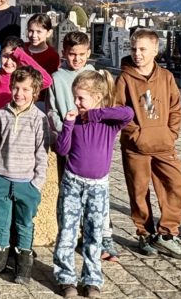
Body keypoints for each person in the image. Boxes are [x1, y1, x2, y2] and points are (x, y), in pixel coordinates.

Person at [52, 70, 133, 298]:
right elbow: (62, 149)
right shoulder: (75, 121)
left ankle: (92, 280)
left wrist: (96, 114)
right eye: (74, 97)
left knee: (94, 233)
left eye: (81, 98)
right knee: (67, 230)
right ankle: (66, 278)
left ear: (97, 97)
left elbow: (128, 113)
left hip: (98, 186)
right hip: (72, 183)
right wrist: (67, 125)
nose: (76, 102)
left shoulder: (109, 122)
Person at [114, 29, 181, 260]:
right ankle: (144, 233)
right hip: (136, 146)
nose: (137, 54)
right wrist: (136, 134)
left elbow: (175, 107)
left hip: (164, 144)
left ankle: (168, 233)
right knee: (138, 190)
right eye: (133, 49)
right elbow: (118, 111)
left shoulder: (166, 77)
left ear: (155, 51)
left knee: (176, 185)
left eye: (143, 49)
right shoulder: (125, 79)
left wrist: (171, 134)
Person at [49, 32, 119, 262]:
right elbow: (52, 111)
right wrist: (66, 128)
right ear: (63, 53)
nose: (76, 59)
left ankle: (102, 235)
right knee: (70, 194)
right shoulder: (57, 78)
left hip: (93, 143)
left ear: (88, 53)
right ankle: (73, 233)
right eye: (72, 54)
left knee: (99, 195)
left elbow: (112, 108)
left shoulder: (96, 77)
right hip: (69, 140)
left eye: (81, 54)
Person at [0, 67, 52, 285]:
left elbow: (43, 152)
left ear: (35, 92)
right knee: (0, 222)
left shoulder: (39, 119)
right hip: (0, 179)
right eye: (15, 87)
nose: (19, 93)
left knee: (24, 223)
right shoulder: (1, 114)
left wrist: (37, 183)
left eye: (25, 89)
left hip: (26, 182)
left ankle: (23, 265)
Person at [16, 14, 59, 80]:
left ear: (49, 33)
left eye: (39, 32)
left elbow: (50, 79)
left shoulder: (52, 55)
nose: (34, 35)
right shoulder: (21, 48)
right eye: (31, 31)